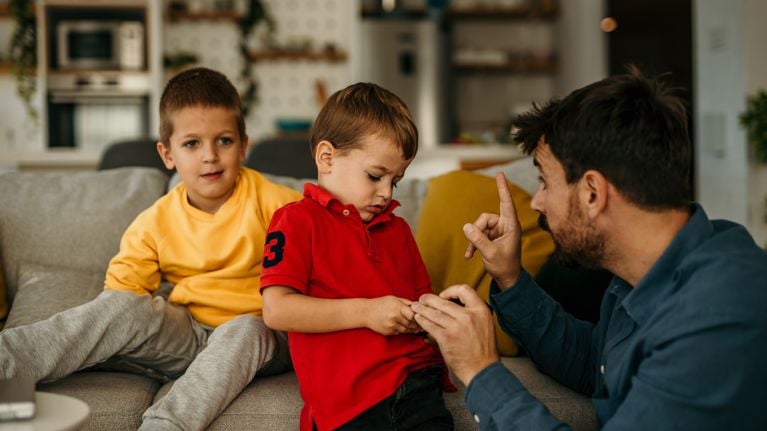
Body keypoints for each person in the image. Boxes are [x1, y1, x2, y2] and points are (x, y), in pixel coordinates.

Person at [411, 67, 767, 430]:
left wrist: (481, 371)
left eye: (544, 183)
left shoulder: (714, 319)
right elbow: (594, 363)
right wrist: (510, 278)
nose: (536, 203)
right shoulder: (645, 271)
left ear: (593, 193)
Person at [0, 67, 302, 430]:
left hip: (260, 336)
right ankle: (8, 362)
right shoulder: (156, 220)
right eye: (192, 143)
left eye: (224, 140)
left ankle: (164, 426)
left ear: (244, 146)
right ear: (167, 153)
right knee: (122, 307)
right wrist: (120, 321)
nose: (210, 155)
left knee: (244, 329)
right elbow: (121, 299)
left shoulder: (279, 205)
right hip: (190, 335)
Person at [260, 82, 455, 431]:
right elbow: (277, 310)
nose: (386, 193)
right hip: (349, 406)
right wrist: (368, 311)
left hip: (418, 387)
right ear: (327, 158)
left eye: (395, 181)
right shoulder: (296, 220)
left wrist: (438, 313)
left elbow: (423, 302)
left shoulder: (398, 230)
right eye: (375, 176)